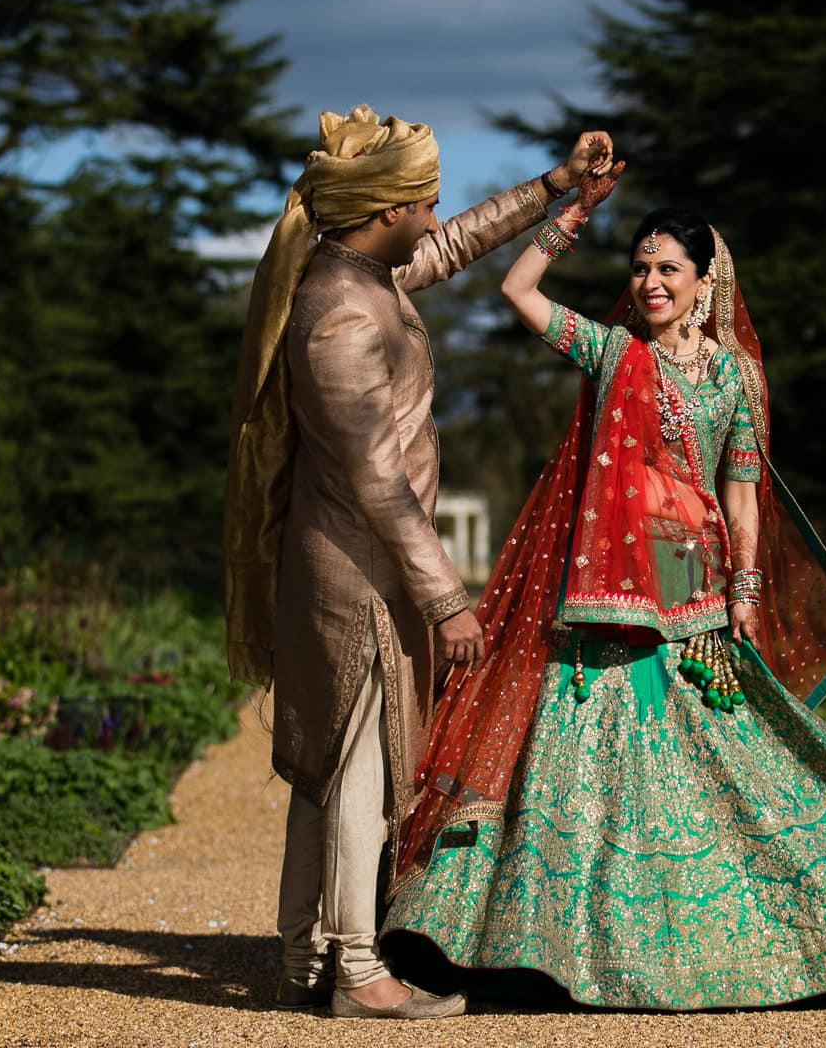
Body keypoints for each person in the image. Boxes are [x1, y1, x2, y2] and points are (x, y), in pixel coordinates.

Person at [380, 193, 826, 1009]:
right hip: (603, 580)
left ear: (704, 279)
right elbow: (519, 293)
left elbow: (741, 491)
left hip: (686, 568)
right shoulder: (615, 352)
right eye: (641, 267)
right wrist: (566, 216)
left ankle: (783, 935)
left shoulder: (736, 375)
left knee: (706, 743)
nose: (650, 282)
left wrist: (745, 589)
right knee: (582, 744)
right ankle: (529, 951)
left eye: (667, 268)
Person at [222, 104, 615, 1020]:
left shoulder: (359, 275)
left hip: (355, 568)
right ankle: (359, 972)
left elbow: (452, 249)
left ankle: (302, 961)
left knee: (329, 766)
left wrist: (553, 190)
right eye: (426, 202)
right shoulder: (339, 317)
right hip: (361, 577)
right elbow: (374, 479)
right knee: (357, 767)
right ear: (383, 207)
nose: (438, 217)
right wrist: (446, 599)